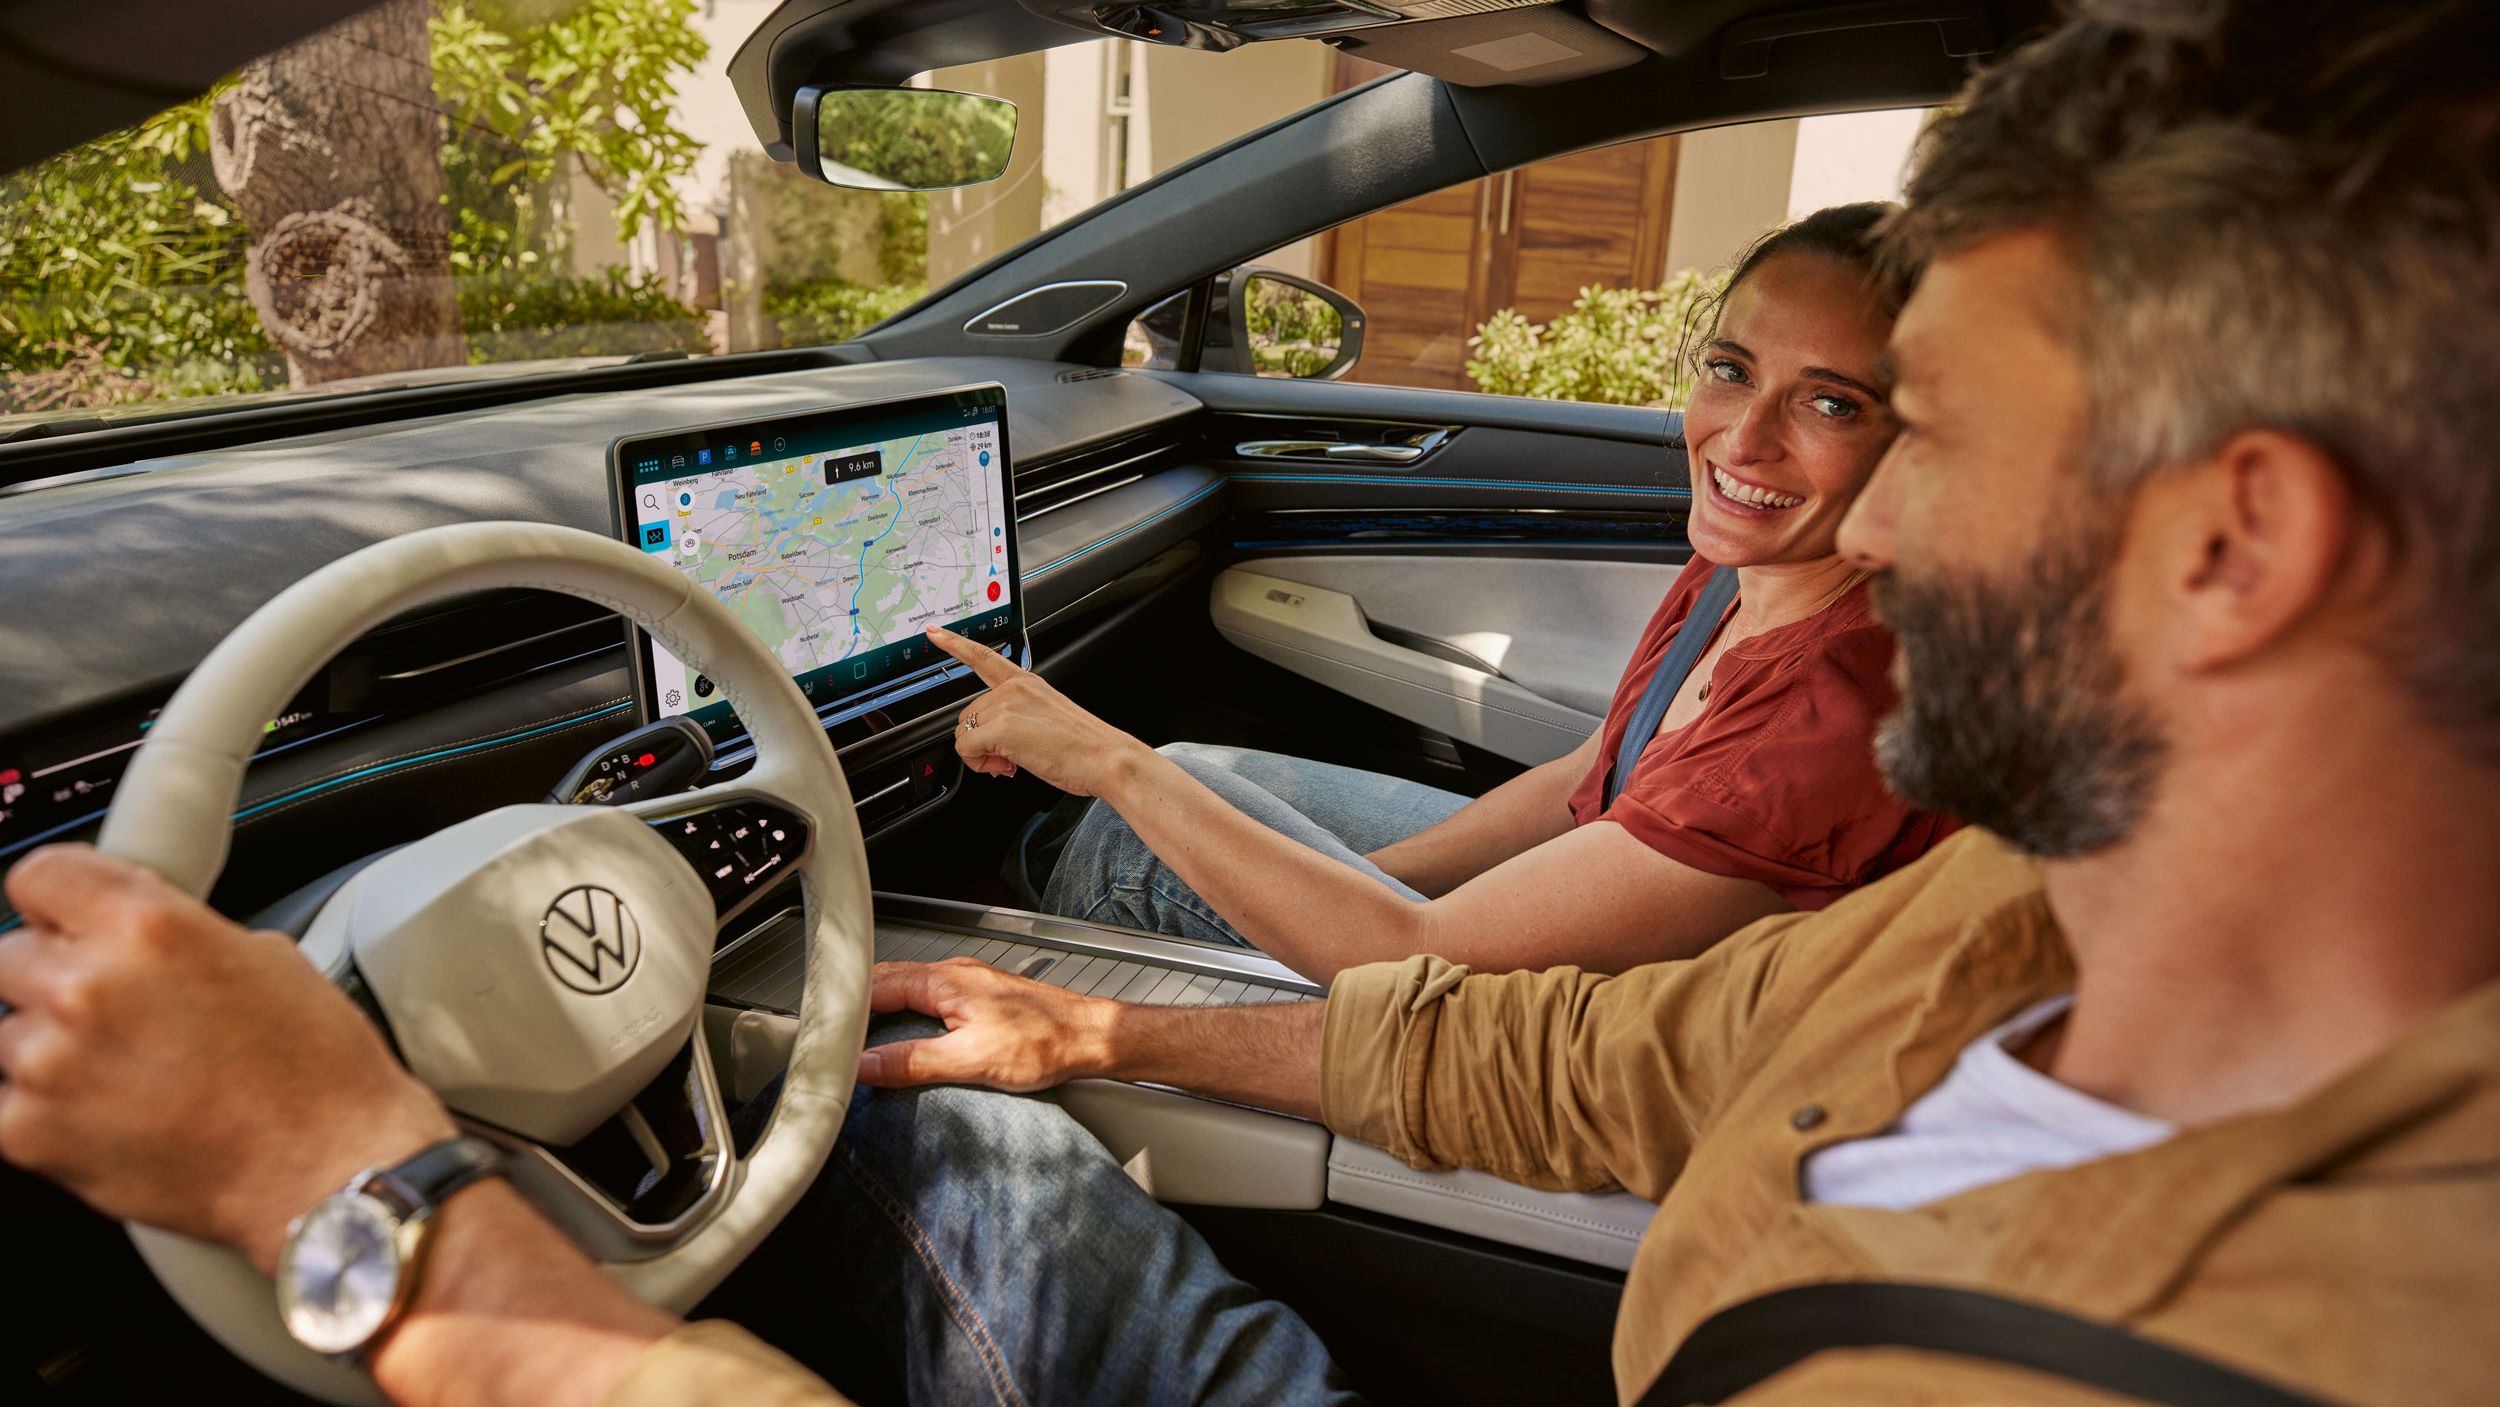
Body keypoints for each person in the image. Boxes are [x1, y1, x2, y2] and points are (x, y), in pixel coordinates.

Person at [6, 2, 2499, 1404]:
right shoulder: (2025, 919)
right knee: (969, 1099)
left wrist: (388, 1227)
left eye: (1924, 429)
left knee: (895, 1151)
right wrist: (1101, 1044)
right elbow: (1588, 1067)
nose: (1862, 527)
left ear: (2232, 545)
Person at [927, 201, 1958, 983]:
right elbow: (1596, 772)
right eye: (1730, 370)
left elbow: (1418, 949)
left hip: (1563, 1033)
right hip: (1584, 893)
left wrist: (1107, 763)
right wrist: (1380, 868)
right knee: (1190, 772)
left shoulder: (1832, 713)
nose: (1742, 439)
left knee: (1130, 844)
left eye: (1830, 402)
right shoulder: (1756, 564)